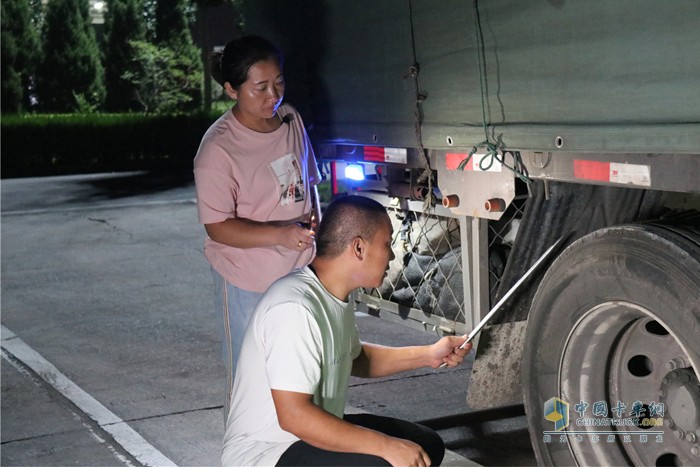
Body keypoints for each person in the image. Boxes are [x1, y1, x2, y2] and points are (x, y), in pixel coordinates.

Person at [222, 195, 472, 466]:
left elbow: (357, 359)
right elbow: (293, 416)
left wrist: (430, 354)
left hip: (301, 439)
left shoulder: (334, 294)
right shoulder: (295, 307)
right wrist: (387, 446)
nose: (390, 255)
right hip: (267, 453)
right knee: (390, 461)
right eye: (387, 244)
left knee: (424, 446)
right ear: (359, 248)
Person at [193, 35, 321, 419]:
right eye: (260, 87)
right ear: (232, 89)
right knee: (253, 379)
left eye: (279, 82)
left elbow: (309, 184)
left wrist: (316, 224)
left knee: (303, 374)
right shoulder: (218, 148)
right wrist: (280, 233)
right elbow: (218, 227)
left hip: (300, 273)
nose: (273, 95)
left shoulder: (290, 119)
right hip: (248, 282)